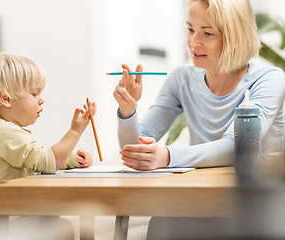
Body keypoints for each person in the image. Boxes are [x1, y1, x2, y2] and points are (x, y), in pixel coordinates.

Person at [114, 0, 285, 172]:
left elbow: (237, 146)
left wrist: (166, 156)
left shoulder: (270, 80)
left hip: (258, 194)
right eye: (190, 30)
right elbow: (134, 150)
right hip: (200, 189)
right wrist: (127, 109)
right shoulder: (181, 79)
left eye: (207, 33)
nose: (193, 43)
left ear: (235, 37)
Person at [0, 53, 95, 239]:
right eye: (34, 93)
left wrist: (71, 159)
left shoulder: (8, 130)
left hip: (11, 213)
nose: (41, 99)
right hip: (0, 222)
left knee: (61, 224)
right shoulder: (4, 132)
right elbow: (47, 162)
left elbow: (39, 158)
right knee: (61, 228)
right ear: (6, 99)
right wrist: (75, 132)